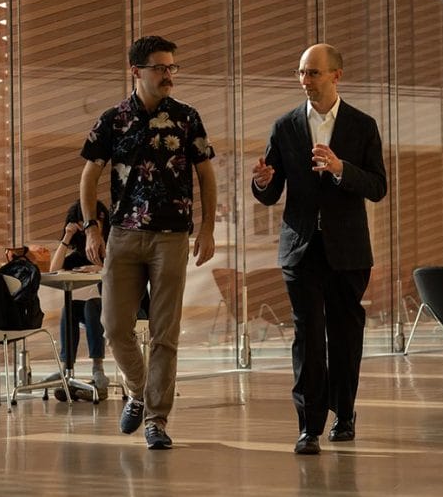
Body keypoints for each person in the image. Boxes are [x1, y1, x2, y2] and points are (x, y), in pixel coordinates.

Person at [79, 35, 217, 450]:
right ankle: (139, 392)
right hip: (123, 234)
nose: (168, 75)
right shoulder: (112, 119)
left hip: (172, 237)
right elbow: (89, 177)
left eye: (173, 67)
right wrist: (91, 227)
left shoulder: (188, 117)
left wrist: (207, 228)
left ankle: (156, 418)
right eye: (160, 68)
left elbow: (206, 176)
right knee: (114, 327)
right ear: (136, 71)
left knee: (165, 334)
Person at [251, 43, 388, 455]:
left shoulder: (362, 126)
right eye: (301, 73)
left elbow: (378, 187)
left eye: (312, 73)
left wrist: (341, 169)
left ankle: (344, 416)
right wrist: (262, 182)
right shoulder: (285, 126)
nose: (305, 81)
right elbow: (272, 190)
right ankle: (308, 426)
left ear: (336, 76)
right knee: (307, 336)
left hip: (348, 251)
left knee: (344, 335)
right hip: (300, 248)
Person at [45, 199, 111, 402]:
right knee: (72, 307)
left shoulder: (116, 242)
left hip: (127, 306)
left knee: (93, 304)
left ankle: (98, 370)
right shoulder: (85, 253)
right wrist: (67, 236)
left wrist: (102, 267)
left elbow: (125, 270)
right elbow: (54, 270)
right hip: (102, 308)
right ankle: (68, 370)